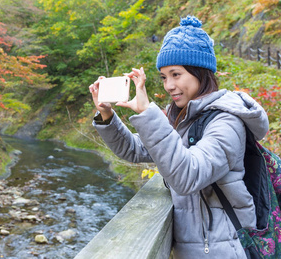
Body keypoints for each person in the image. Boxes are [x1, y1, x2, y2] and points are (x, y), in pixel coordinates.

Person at [88, 15, 269, 258]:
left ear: (200, 72)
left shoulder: (227, 121)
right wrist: (106, 115)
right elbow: (133, 149)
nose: (168, 85)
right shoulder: (181, 117)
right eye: (163, 77)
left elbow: (187, 176)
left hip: (225, 250)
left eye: (176, 74)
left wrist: (147, 113)